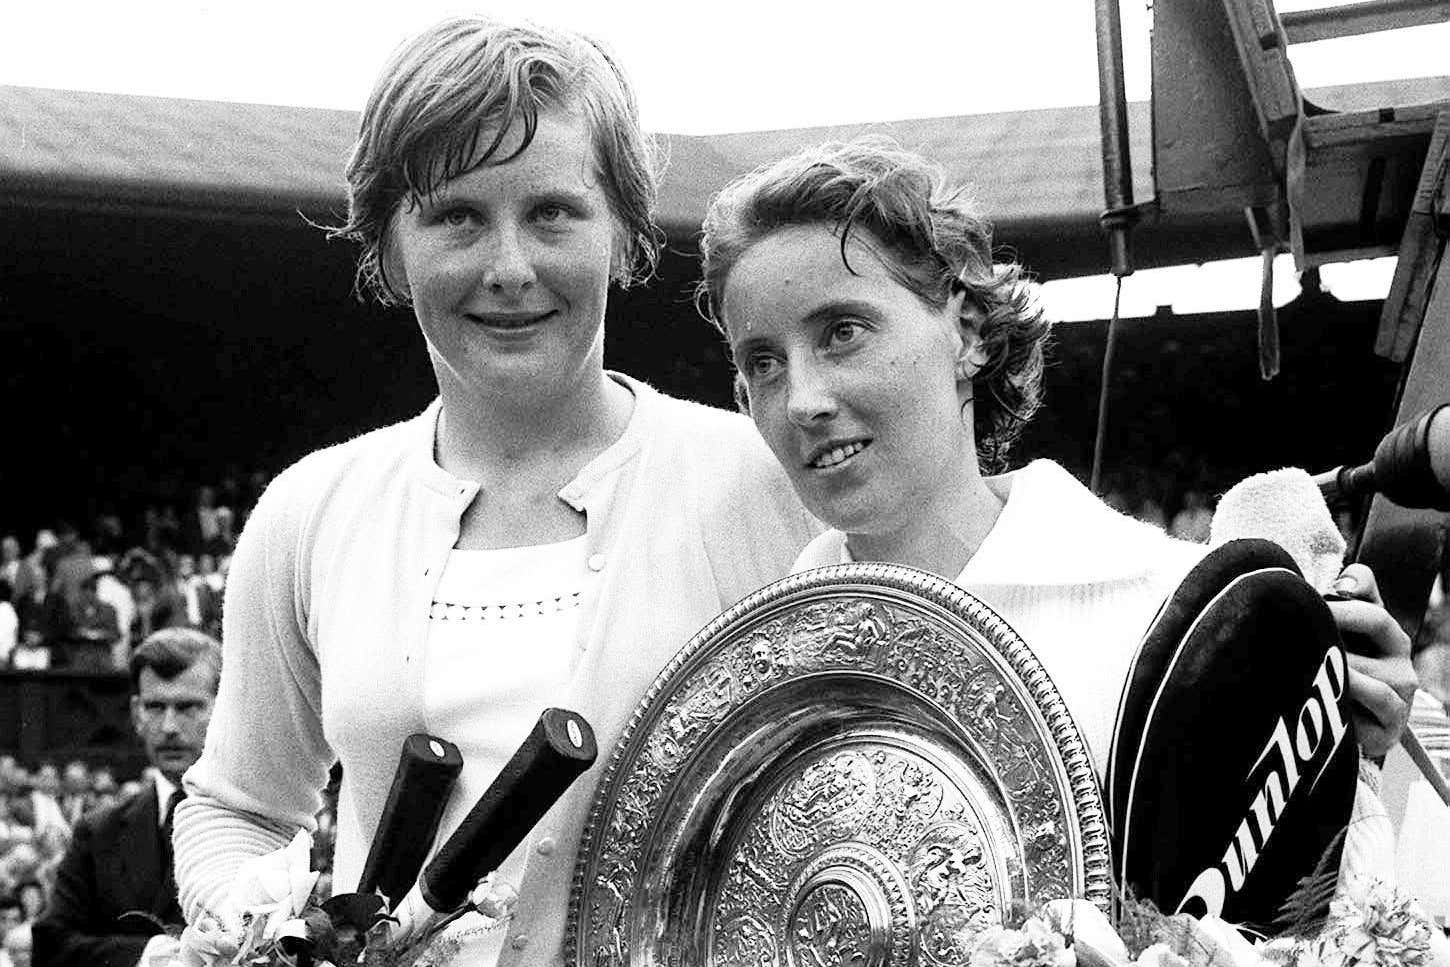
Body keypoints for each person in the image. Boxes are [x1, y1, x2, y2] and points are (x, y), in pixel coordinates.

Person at [172, 15, 815, 967]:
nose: (509, 267)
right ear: (389, 249)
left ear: (626, 235)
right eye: (457, 215)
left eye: (553, 211)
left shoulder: (767, 485)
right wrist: (262, 933)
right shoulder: (309, 511)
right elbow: (235, 807)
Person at [697, 136, 1415, 780]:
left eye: (842, 332)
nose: (800, 400)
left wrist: (1352, 764)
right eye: (762, 363)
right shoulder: (755, 688)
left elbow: (1320, 916)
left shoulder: (1182, 618)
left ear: (968, 332)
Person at [32, 628, 221, 967]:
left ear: (222, 711)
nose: (168, 727)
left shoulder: (260, 821)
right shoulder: (98, 832)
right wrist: (144, 956)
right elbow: (50, 944)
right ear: (136, 714)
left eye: (188, 707)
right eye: (155, 707)